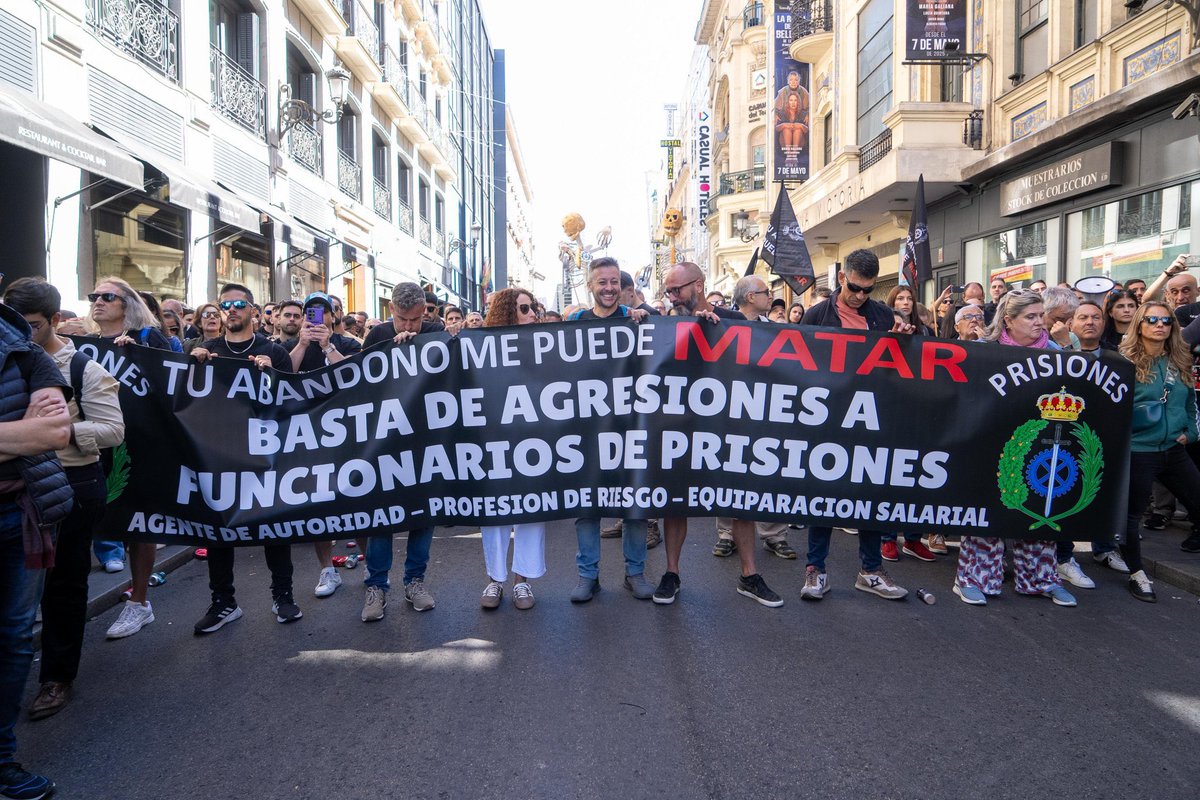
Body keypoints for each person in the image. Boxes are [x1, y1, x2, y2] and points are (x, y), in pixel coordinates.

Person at [3, 279, 124, 723]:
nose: (20, 334)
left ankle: (56, 677)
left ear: (55, 321)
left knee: (64, 585)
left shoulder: (84, 370)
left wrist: (56, 433)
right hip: (16, 488)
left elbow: (113, 431)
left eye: (31, 326)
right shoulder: (8, 361)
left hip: (72, 484)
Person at [654, 261, 783, 607]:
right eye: (667, 291)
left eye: (676, 289)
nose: (671, 296)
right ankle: (671, 573)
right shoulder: (663, 323)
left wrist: (720, 329)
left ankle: (749, 575)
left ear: (698, 285)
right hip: (678, 427)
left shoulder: (734, 320)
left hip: (726, 427)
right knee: (674, 500)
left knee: (739, 498)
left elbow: (754, 366)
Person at [796, 251, 916, 600]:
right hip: (828, 420)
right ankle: (815, 570)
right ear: (840, 279)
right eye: (855, 288)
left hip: (872, 419)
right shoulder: (817, 317)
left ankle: (871, 569)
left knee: (870, 494)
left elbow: (901, 367)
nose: (861, 296)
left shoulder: (882, 315)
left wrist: (902, 340)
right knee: (824, 496)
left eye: (868, 289)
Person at [953, 289, 1077, 607]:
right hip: (988, 443)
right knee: (987, 511)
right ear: (1008, 320)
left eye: (1040, 316)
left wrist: (1067, 349)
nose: (1040, 322)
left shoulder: (1054, 350)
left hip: (1039, 445)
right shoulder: (984, 350)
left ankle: (1041, 578)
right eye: (1030, 317)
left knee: (1038, 508)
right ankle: (973, 578)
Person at [189, 284, 299, 632]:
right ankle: (223, 602)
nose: (231, 310)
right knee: (218, 527)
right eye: (225, 306)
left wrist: (273, 373)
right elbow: (189, 400)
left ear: (253, 310)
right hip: (221, 452)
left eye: (238, 304)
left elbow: (295, 401)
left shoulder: (274, 351)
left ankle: (283, 595)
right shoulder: (206, 350)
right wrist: (196, 366)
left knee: (272, 525)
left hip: (265, 451)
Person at [0, 298, 72, 800]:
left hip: (17, 517)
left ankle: (1, 760)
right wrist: (18, 434)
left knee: (13, 638)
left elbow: (53, 431)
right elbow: (32, 434)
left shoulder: (26, 350)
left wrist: (32, 433)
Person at [564, 258, 655, 603]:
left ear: (622, 286)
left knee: (633, 501)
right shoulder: (574, 322)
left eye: (614, 282)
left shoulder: (638, 320)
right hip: (586, 431)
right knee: (588, 503)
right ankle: (588, 576)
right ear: (590, 285)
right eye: (602, 282)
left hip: (630, 428)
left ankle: (636, 573)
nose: (609, 288)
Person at [85, 278, 171, 639]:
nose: (98, 302)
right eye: (94, 297)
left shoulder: (149, 338)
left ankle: (139, 602)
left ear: (128, 304)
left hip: (139, 445)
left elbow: (175, 383)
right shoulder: (81, 346)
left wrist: (141, 354)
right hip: (90, 447)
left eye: (108, 297)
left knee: (139, 524)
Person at [359, 283, 442, 621]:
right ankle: (376, 586)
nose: (410, 327)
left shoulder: (434, 332)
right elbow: (360, 384)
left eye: (417, 320)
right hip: (386, 440)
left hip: (426, 439)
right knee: (382, 515)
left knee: (424, 512)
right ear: (390, 310)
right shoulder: (377, 335)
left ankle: (415, 581)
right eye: (403, 320)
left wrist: (431, 342)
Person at [709, 276, 798, 560]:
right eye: (765, 292)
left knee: (770, 470)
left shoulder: (776, 331)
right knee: (728, 471)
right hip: (729, 410)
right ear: (749, 297)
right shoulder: (721, 327)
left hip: (766, 412)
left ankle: (774, 535)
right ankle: (727, 534)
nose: (770, 296)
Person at [476, 288, 547, 610]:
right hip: (494, 442)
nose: (532, 313)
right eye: (524, 309)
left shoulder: (548, 346)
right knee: (494, 511)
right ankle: (495, 579)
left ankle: (522, 580)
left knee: (532, 510)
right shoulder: (479, 350)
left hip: (536, 441)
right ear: (507, 313)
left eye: (532, 308)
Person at [1122, 302, 1200, 589]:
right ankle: (1136, 573)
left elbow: (1190, 402)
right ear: (1139, 324)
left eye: (1166, 321)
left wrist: (1190, 433)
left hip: (1173, 449)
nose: (1160, 325)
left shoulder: (1179, 359)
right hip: (1138, 450)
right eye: (1152, 319)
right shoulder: (1124, 362)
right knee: (1132, 514)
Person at [288, 292, 361, 373]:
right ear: (303, 317)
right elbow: (283, 376)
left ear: (333, 317)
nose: (317, 313)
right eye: (311, 310)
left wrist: (327, 347)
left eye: (323, 310)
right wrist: (302, 345)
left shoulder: (350, 344)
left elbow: (350, 374)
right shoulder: (288, 345)